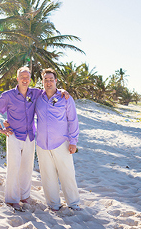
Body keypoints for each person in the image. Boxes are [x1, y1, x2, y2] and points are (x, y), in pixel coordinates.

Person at [0, 67, 70, 212]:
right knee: (14, 167)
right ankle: (12, 199)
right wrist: (0, 128)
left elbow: (50, 89)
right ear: (17, 78)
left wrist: (63, 91)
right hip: (14, 135)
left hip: (30, 135)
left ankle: (24, 196)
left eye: (27, 77)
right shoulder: (8, 95)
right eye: (22, 77)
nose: (25, 79)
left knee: (27, 168)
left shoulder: (35, 93)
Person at [34, 68, 81, 212]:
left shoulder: (65, 98)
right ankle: (53, 204)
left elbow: (72, 120)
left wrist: (73, 141)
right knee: (47, 175)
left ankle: (73, 203)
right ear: (42, 81)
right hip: (42, 143)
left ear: (55, 81)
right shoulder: (37, 97)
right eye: (45, 80)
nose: (48, 82)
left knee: (67, 173)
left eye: (51, 79)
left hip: (61, 142)